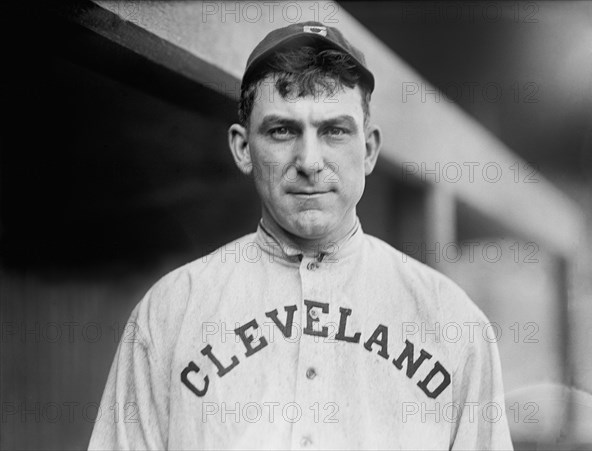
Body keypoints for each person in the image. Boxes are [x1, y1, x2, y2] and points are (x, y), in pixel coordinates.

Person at [89, 21, 513, 450]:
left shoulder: (453, 322)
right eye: (282, 130)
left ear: (367, 149)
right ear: (242, 148)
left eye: (334, 130)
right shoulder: (169, 313)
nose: (309, 161)